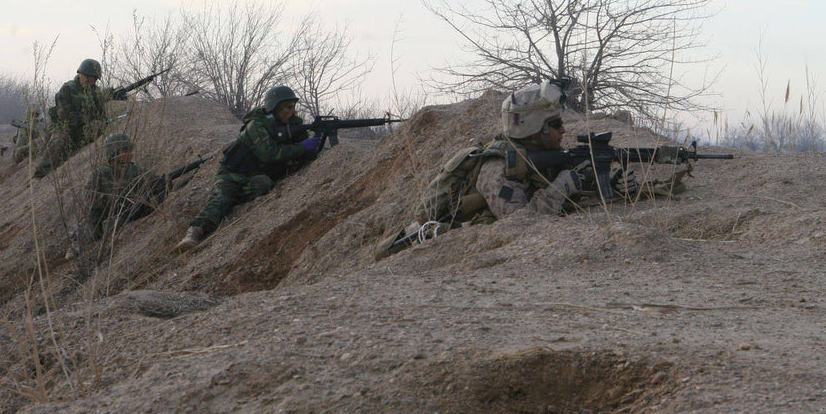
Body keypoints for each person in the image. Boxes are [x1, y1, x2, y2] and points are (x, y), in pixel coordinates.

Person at [377, 79, 637, 256]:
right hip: (443, 247)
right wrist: (565, 185)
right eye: (555, 124)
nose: (564, 130)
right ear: (534, 129)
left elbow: (556, 187)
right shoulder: (497, 168)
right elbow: (520, 224)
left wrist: (611, 182)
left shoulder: (542, 154)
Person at [175, 85, 322, 251]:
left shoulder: (292, 124)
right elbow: (270, 154)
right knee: (221, 199)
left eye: (294, 107)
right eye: (288, 107)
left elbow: (300, 147)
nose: (293, 112)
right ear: (276, 108)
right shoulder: (256, 125)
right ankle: (194, 233)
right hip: (232, 174)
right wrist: (302, 147)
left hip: (255, 175)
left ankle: (234, 200)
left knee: (263, 183)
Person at [34, 58, 113, 179]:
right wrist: (85, 118)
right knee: (59, 141)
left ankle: (74, 148)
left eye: (93, 78)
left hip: (82, 128)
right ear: (80, 74)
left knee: (99, 126)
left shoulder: (96, 92)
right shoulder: (68, 88)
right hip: (63, 126)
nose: (90, 80)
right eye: (87, 77)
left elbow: (101, 115)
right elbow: (64, 116)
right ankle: (40, 172)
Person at [84, 132, 160, 242]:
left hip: (128, 214)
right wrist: (113, 198)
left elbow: (153, 181)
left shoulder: (136, 170)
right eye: (125, 151)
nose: (130, 154)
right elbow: (88, 197)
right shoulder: (99, 174)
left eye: (130, 151)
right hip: (104, 221)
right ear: (113, 153)